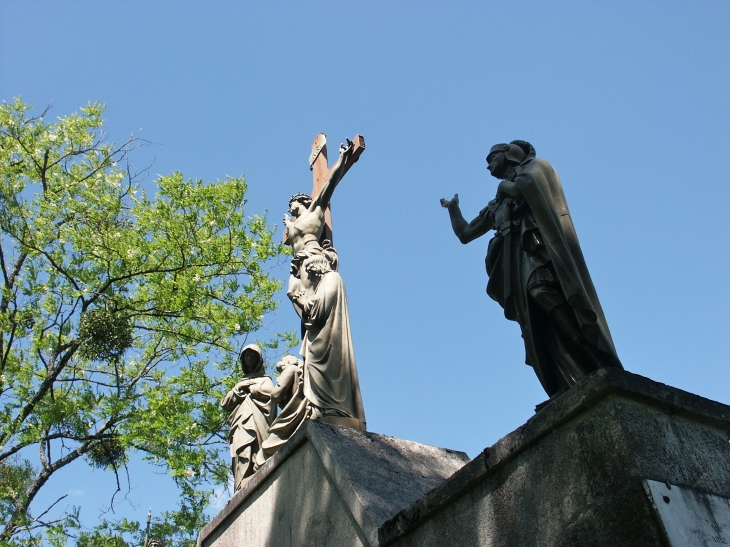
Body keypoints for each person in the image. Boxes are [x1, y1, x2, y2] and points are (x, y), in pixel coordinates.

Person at [440, 140, 622, 404]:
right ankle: (563, 382)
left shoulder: (536, 167)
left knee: (542, 292)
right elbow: (466, 234)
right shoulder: (497, 203)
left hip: (537, 252)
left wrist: (507, 187)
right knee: (535, 322)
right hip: (512, 261)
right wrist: (453, 209)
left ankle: (594, 361)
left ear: (509, 153)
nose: (488, 165)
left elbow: (532, 189)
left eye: (491, 158)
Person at [289, 255, 366, 430]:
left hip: (328, 340)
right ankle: (320, 408)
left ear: (318, 267)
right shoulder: (325, 281)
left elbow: (319, 308)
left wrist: (302, 301)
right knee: (312, 369)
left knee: (323, 372)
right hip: (321, 336)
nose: (310, 277)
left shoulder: (332, 278)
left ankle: (331, 409)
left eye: (310, 272)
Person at [220, 344, 274, 490]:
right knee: (240, 449)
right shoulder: (240, 383)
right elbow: (225, 403)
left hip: (258, 422)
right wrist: (238, 389)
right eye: (246, 356)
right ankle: (241, 484)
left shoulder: (264, 379)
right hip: (240, 424)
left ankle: (255, 473)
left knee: (256, 449)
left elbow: (271, 393)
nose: (249, 359)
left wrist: (251, 387)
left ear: (258, 359)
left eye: (252, 355)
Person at [261, 355, 311, 458]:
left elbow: (275, 396)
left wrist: (279, 382)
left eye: (281, 368)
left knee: (265, 451)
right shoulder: (302, 372)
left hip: (292, 417)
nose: (281, 370)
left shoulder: (291, 369)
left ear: (286, 362)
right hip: (302, 413)